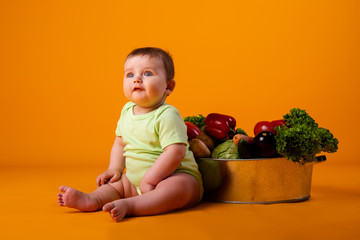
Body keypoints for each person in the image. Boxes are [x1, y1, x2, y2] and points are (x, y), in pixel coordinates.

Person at [57, 47, 203, 222]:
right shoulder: (127, 111)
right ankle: (93, 199)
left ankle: (132, 206)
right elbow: (120, 143)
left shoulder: (167, 115)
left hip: (172, 175)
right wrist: (115, 169)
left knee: (180, 187)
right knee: (116, 185)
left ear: (168, 86)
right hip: (135, 180)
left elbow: (175, 152)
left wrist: (151, 179)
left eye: (148, 74)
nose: (137, 79)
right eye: (130, 75)